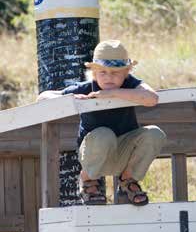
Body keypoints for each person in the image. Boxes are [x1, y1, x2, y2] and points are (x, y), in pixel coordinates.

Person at [37, 39, 166, 205]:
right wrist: (71, 98)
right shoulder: (85, 88)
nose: (109, 77)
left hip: (124, 156)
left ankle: (128, 180)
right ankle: (87, 179)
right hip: (94, 157)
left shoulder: (130, 84)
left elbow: (152, 98)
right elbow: (42, 97)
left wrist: (114, 93)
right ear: (94, 73)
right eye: (103, 72)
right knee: (104, 134)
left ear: (126, 72)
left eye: (115, 72)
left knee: (155, 133)